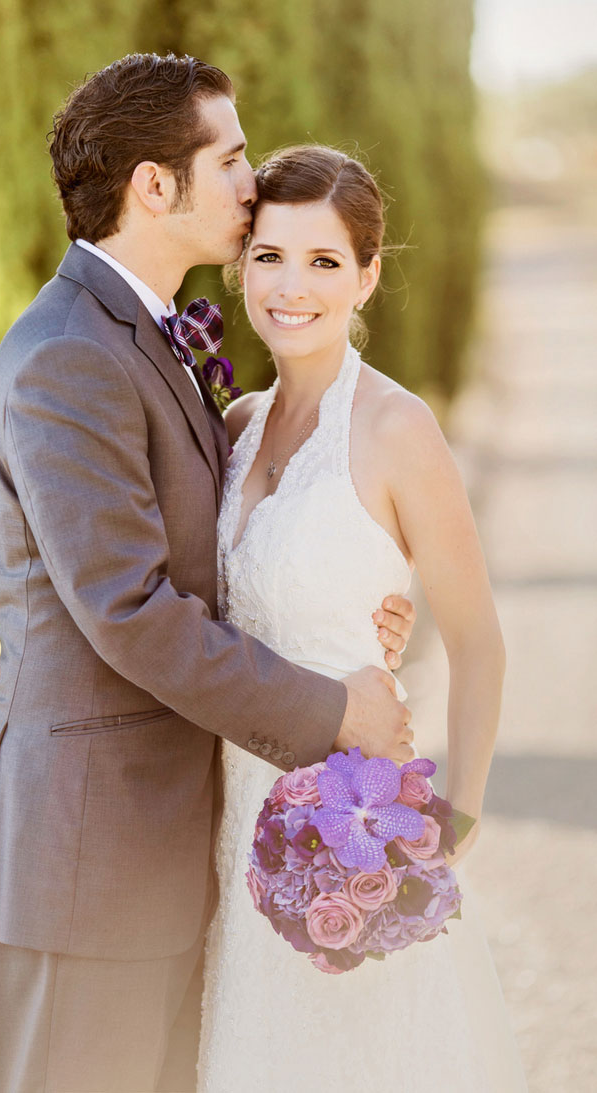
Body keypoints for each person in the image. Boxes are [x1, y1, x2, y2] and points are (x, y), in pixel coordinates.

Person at [0, 56, 418, 1093]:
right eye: (231, 159)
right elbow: (133, 612)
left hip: (148, 859)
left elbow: (207, 566)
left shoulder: (138, 337)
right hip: (81, 865)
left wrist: (339, 610)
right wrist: (334, 709)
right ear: (155, 186)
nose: (252, 182)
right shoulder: (69, 356)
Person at [197, 145, 527, 1091]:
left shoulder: (396, 430)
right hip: (229, 825)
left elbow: (479, 643)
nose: (290, 286)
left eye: (324, 261)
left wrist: (448, 821)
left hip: (348, 841)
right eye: (268, 256)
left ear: (368, 276)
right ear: (241, 264)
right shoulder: (233, 426)